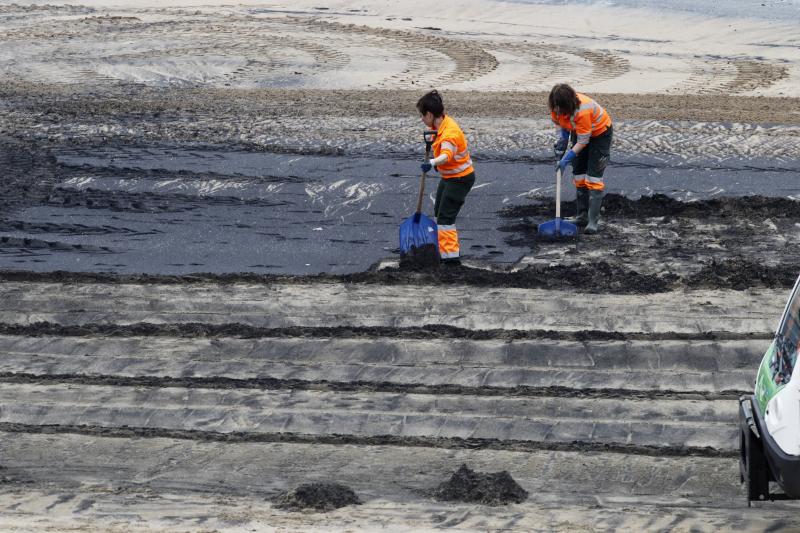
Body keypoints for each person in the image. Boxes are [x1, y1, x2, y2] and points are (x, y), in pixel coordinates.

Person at [416, 89, 475, 264]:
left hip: (460, 179)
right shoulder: (438, 126)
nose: (422, 119)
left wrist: (432, 163)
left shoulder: (450, 133)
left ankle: (450, 259)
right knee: (438, 212)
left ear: (430, 114)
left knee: (445, 218)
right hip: (449, 177)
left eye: (422, 115)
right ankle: (441, 248)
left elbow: (447, 155)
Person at [549, 83, 613, 234]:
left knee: (593, 178)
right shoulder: (556, 106)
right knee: (579, 174)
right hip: (579, 131)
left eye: (560, 107)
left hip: (599, 134)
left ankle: (592, 221)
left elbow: (583, 141)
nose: (557, 110)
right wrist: (562, 141)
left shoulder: (582, 111)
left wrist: (565, 159)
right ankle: (582, 216)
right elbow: (561, 124)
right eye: (555, 107)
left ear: (568, 104)